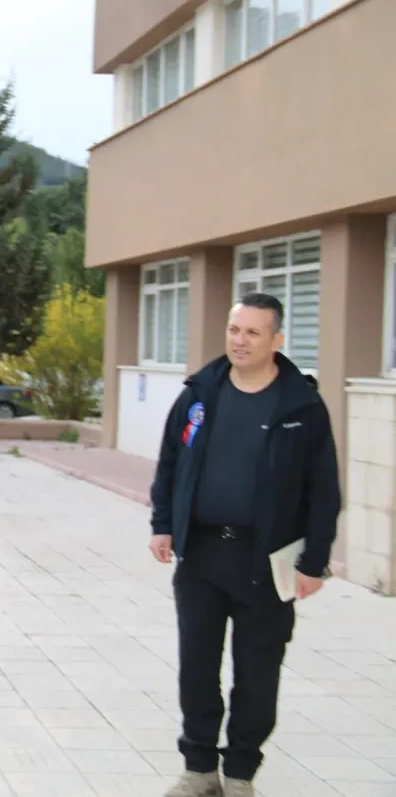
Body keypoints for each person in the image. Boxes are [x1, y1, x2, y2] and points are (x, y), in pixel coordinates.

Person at [148, 292, 341, 797]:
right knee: (197, 669)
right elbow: (170, 462)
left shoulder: (301, 405)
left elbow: (324, 489)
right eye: (235, 330)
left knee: (257, 677)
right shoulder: (200, 393)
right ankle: (198, 770)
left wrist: (314, 562)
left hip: (266, 564)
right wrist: (163, 523)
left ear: (277, 340)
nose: (240, 340)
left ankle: (239, 776)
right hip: (203, 557)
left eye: (253, 332)